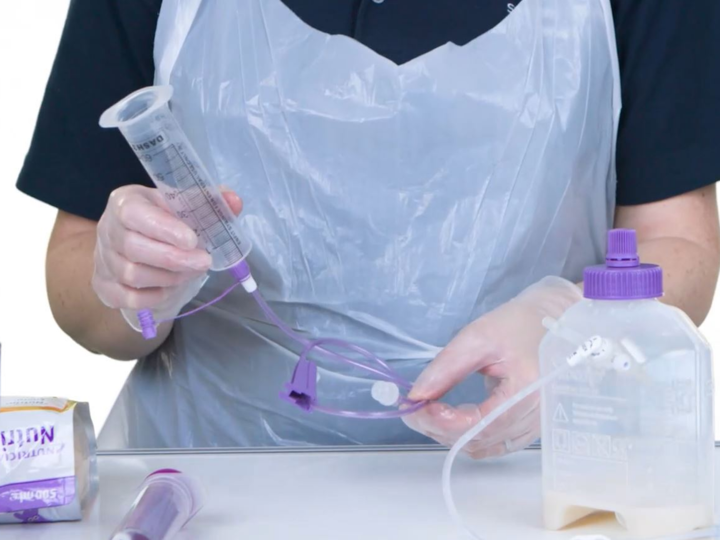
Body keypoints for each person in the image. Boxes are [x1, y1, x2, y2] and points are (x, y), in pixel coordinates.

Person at [17, 0, 720, 454]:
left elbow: (679, 245)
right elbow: (79, 289)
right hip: (221, 491)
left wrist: (571, 326)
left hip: (543, 490)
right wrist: (128, 281)